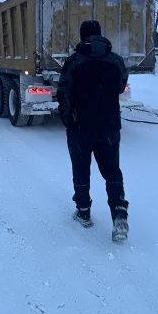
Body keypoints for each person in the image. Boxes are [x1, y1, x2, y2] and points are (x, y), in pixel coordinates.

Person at [56, 19, 130, 242]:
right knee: (112, 172)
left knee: (81, 169)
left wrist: (68, 121)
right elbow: (120, 87)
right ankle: (119, 214)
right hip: (109, 127)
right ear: (99, 34)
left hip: (81, 128)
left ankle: (83, 212)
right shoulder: (115, 60)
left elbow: (63, 93)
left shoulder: (73, 62)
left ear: (82, 36)